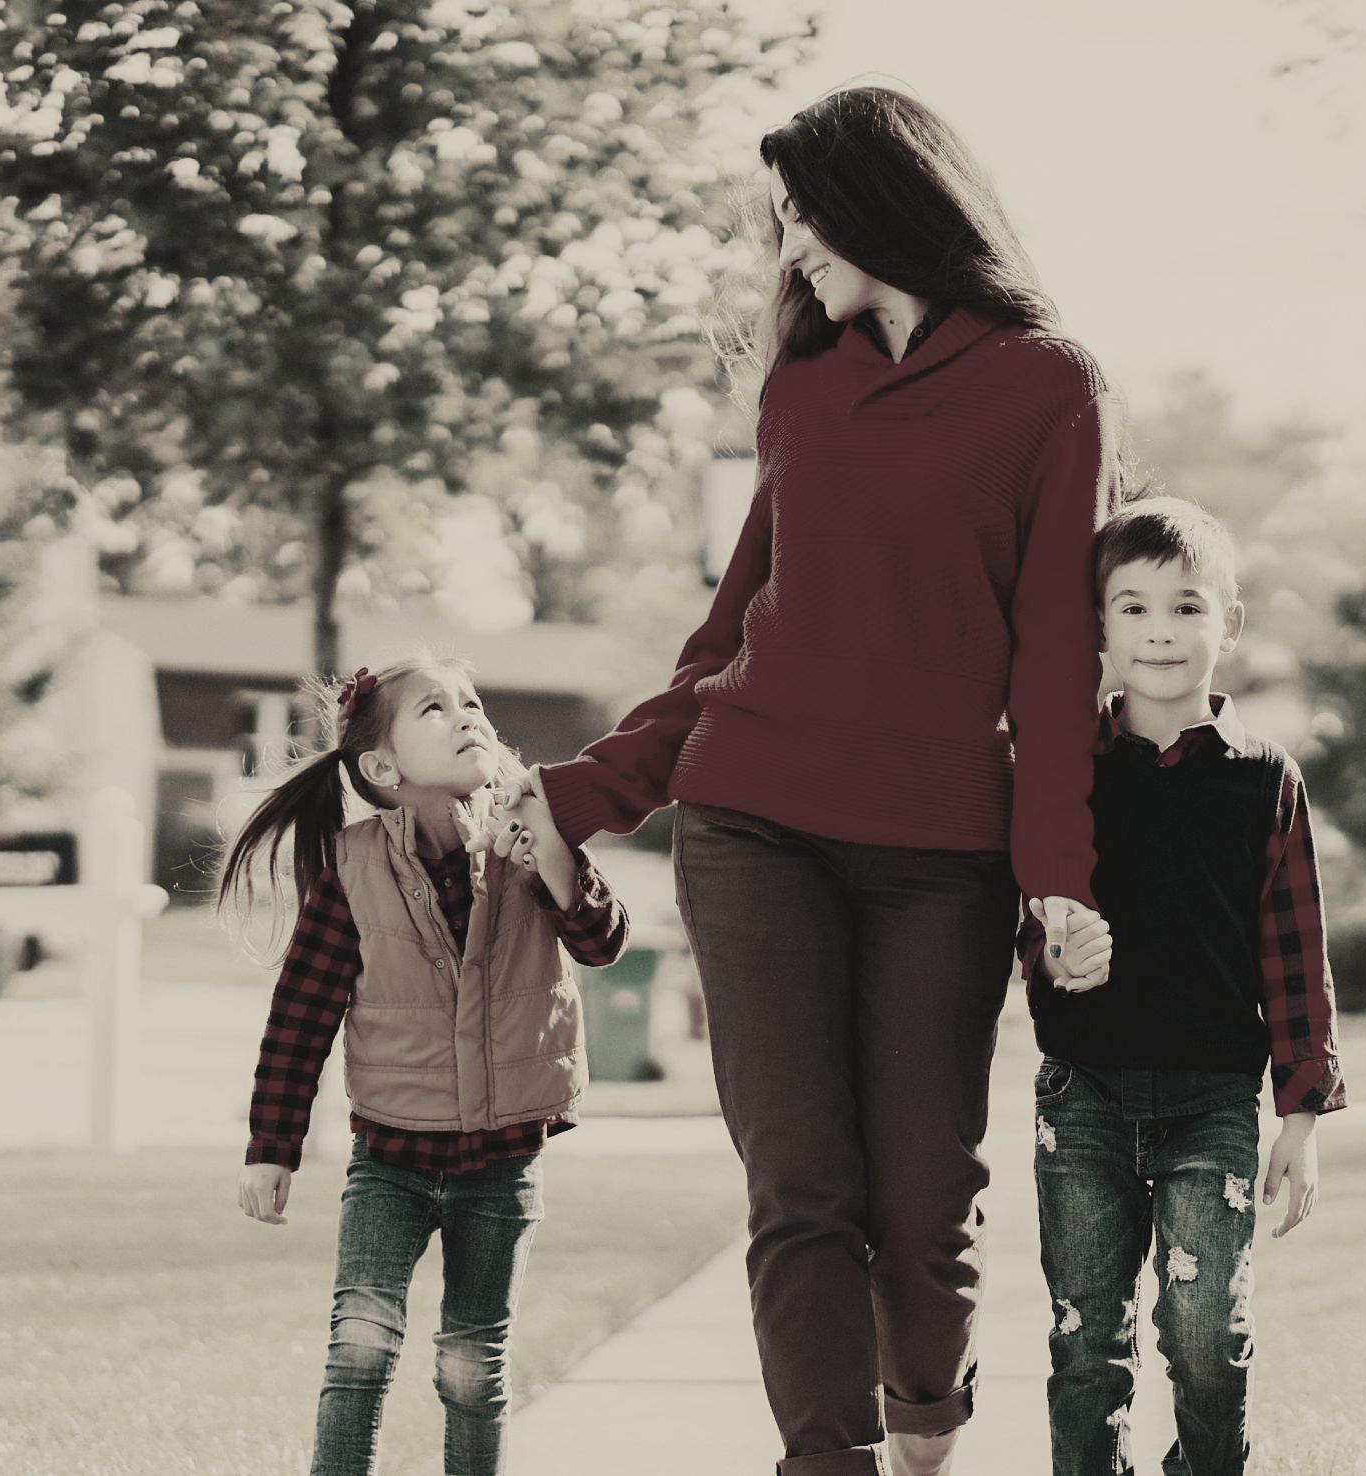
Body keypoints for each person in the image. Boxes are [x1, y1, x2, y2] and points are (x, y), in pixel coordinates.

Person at [505, 85, 1121, 1476]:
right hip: (752, 824)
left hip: (938, 853)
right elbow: (731, 631)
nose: (786, 249)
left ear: (883, 203)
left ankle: (924, 1416)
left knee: (920, 1200)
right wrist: (592, 790)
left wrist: (1056, 876)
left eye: (801, 216)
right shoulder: (804, 382)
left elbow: (1052, 655)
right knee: (799, 1190)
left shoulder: (1045, 382)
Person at [223, 657, 628, 1476]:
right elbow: (301, 1015)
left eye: (473, 701)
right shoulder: (352, 866)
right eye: (435, 709)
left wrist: (551, 854)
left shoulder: (531, 842)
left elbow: (602, 942)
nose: (467, 716)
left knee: (471, 1369)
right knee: (360, 1349)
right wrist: (272, 1145)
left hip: (502, 1164)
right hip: (391, 1162)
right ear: (383, 768)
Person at [1020, 497, 1348, 1476]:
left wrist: (1302, 1112)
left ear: (1228, 624)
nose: (1160, 630)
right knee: (1086, 1342)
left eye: (1186, 606)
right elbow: (1020, 920)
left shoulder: (1262, 779)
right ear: (1097, 629)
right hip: (1081, 1092)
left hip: (1210, 1099)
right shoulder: (1059, 772)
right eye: (1132, 608)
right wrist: (1047, 949)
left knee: (1208, 1337)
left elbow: (1295, 951)